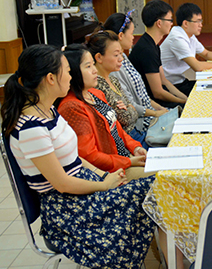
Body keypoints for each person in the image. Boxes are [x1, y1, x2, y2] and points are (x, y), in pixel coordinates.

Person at [1, 44, 156, 268]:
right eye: (68, 70)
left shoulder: (48, 111)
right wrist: (105, 185)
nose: (71, 76)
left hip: (82, 188)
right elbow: (62, 184)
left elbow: (75, 157)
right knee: (153, 186)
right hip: (68, 208)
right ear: (51, 79)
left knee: (154, 185)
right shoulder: (31, 129)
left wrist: (103, 176)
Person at [57, 44, 149, 181]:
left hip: (125, 159)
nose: (95, 71)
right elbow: (90, 156)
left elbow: (117, 128)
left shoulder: (95, 94)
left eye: (93, 65)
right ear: (73, 72)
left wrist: (135, 148)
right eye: (88, 67)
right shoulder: (72, 107)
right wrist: (129, 162)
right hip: (110, 172)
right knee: (162, 178)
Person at [105, 11, 170, 136]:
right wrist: (156, 113)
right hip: (140, 123)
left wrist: (160, 109)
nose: (133, 37)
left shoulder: (124, 56)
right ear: (120, 36)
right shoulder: (114, 68)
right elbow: (131, 105)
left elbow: (142, 95)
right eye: (131, 33)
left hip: (149, 113)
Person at [87, 30, 150, 148]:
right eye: (116, 55)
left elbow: (130, 108)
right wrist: (130, 109)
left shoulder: (114, 80)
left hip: (136, 133)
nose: (121, 59)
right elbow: (126, 118)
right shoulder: (97, 87)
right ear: (99, 57)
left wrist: (129, 108)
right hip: (125, 142)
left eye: (121, 54)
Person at [161, 3, 212, 96]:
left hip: (180, 81)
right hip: (170, 87)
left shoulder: (189, 35)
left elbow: (206, 53)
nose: (201, 25)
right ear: (186, 23)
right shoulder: (177, 38)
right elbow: (197, 67)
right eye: (197, 22)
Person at [129, 0, 188, 108]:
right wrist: (183, 103)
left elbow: (164, 81)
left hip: (158, 97)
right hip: (151, 104)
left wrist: (185, 99)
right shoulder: (147, 49)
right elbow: (158, 92)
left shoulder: (153, 44)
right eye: (170, 20)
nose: (171, 23)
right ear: (159, 23)